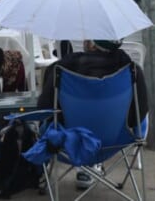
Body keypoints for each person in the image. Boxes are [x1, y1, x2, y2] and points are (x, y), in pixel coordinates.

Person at [37, 39, 148, 189]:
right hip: (115, 141)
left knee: (45, 125)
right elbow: (139, 115)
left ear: (92, 44)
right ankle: (93, 165)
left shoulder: (60, 70)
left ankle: (79, 168)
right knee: (141, 117)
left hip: (70, 142)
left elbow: (43, 110)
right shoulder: (132, 71)